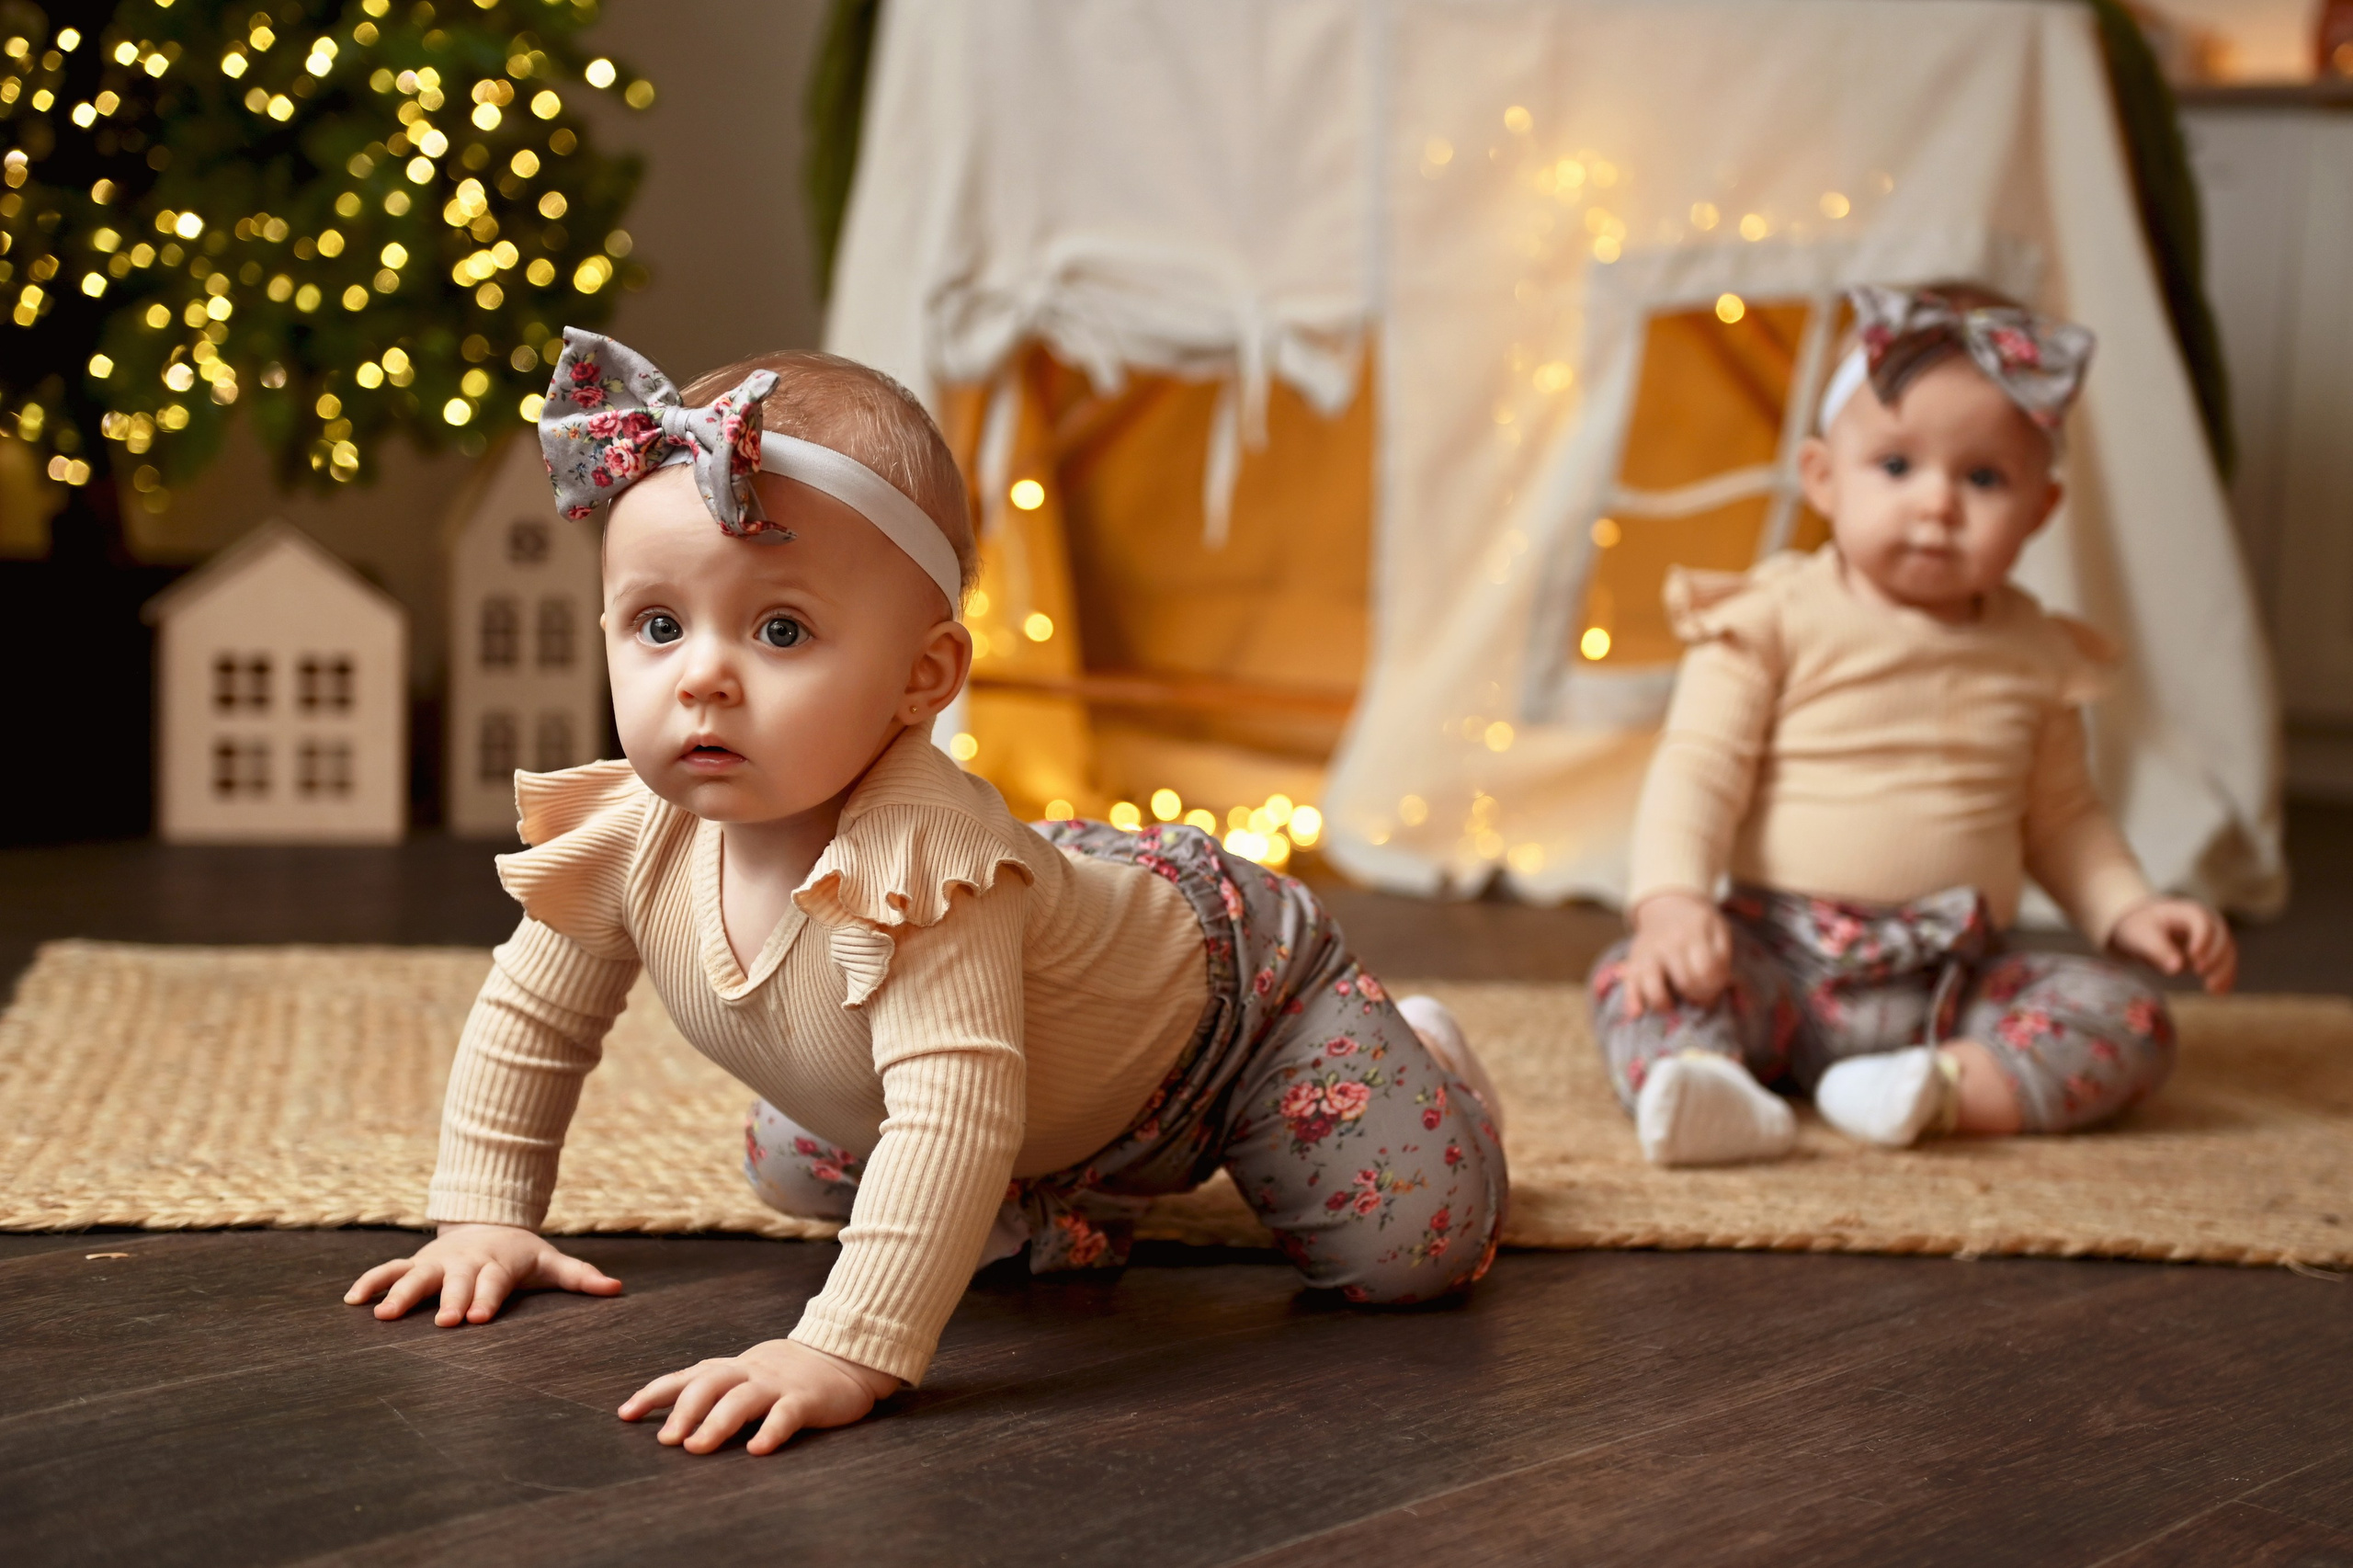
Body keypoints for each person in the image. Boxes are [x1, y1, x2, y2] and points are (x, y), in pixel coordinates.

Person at [345, 330, 1507, 1454]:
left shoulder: (919, 864)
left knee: (1409, 1249)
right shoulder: (630, 832)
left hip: (1231, 1012)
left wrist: (842, 1350)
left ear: (923, 676)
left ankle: (1426, 1062)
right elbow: (531, 1015)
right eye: (657, 624)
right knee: (793, 1163)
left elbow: (956, 1117)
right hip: (1046, 1080)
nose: (700, 675)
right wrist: (485, 1211)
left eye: (781, 628)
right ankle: (1071, 1194)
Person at [1588, 283, 2236, 1168]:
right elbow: (1699, 768)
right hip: (1772, 957)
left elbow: (2064, 818)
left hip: (1952, 978)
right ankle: (1706, 1085)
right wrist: (1671, 905)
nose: (1937, 504)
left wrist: (2130, 908)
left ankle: (1935, 1091)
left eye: (1983, 478)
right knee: (1637, 980)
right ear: (1823, 478)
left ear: (2041, 509)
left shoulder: (2036, 653)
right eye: (1896, 467)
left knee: (2129, 1017)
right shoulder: (1770, 616)